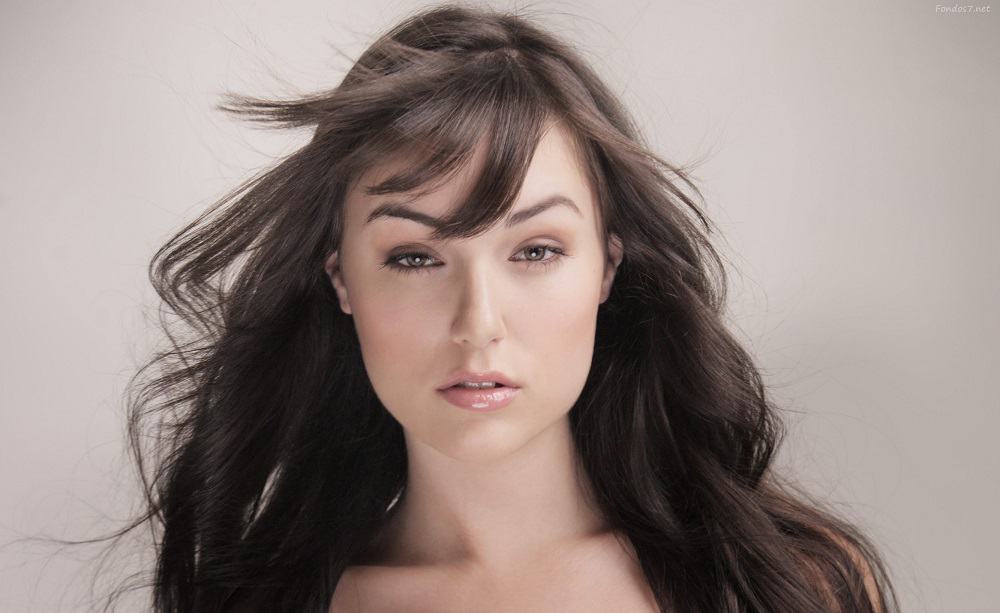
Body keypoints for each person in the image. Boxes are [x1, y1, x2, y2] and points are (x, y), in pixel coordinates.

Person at [113, 3, 899, 612]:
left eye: (535, 250)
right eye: (414, 257)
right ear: (341, 280)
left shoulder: (787, 584)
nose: (478, 322)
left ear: (607, 267)